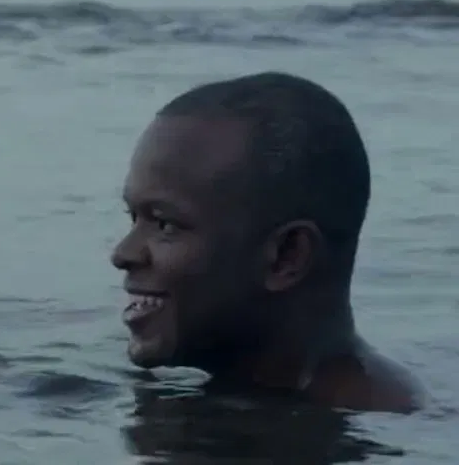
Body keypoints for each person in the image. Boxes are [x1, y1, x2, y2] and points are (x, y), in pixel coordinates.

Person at [110, 71, 424, 413]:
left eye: (164, 224)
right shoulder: (255, 400)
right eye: (133, 218)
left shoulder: (342, 424)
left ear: (287, 256)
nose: (122, 254)